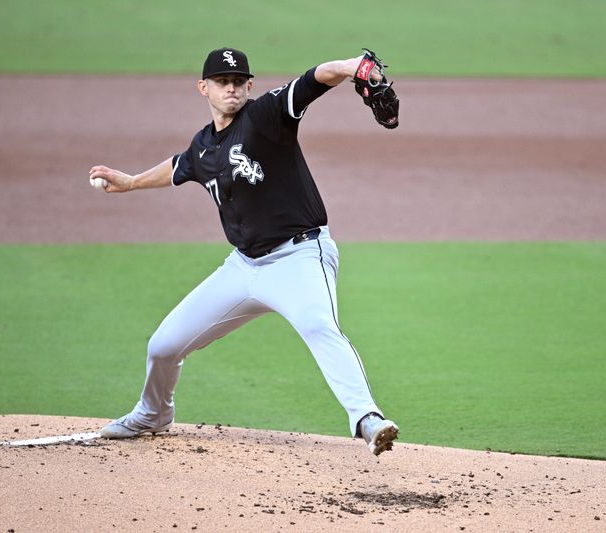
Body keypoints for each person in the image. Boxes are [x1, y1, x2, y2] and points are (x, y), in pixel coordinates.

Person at [88, 47, 398, 456]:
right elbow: (180, 165)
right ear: (204, 88)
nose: (231, 88)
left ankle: (366, 418)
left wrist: (347, 67)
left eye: (238, 81)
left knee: (318, 325)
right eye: (221, 81)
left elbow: (313, 80)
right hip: (243, 267)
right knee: (163, 346)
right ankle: (153, 414)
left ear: (249, 85)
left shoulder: (267, 114)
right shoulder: (204, 146)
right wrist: (130, 183)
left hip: (300, 257)